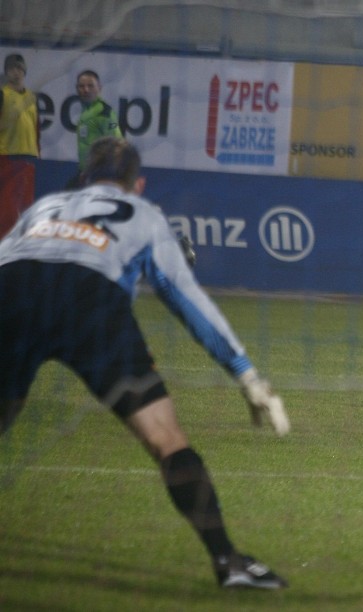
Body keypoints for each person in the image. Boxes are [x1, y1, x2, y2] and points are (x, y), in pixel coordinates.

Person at [0, 137, 291, 588]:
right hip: (88, 301)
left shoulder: (46, 206)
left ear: (84, 176)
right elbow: (185, 298)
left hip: (13, 292)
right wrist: (245, 373)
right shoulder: (145, 214)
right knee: (165, 438)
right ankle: (228, 562)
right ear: (138, 184)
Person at [0, 53, 40, 238]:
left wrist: (36, 151)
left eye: (18, 68)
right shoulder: (2, 95)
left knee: (25, 208)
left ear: (24, 72)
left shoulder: (31, 97)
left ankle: (17, 251)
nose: (15, 73)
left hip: (27, 157)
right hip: (7, 156)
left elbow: (35, 126)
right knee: (7, 210)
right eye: (11, 69)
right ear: (6, 72)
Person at [68, 69, 123, 187]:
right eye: (81, 86)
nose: (86, 90)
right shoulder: (86, 111)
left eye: (90, 86)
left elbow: (117, 142)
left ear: (99, 88)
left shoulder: (105, 112)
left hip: (99, 174)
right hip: (85, 172)